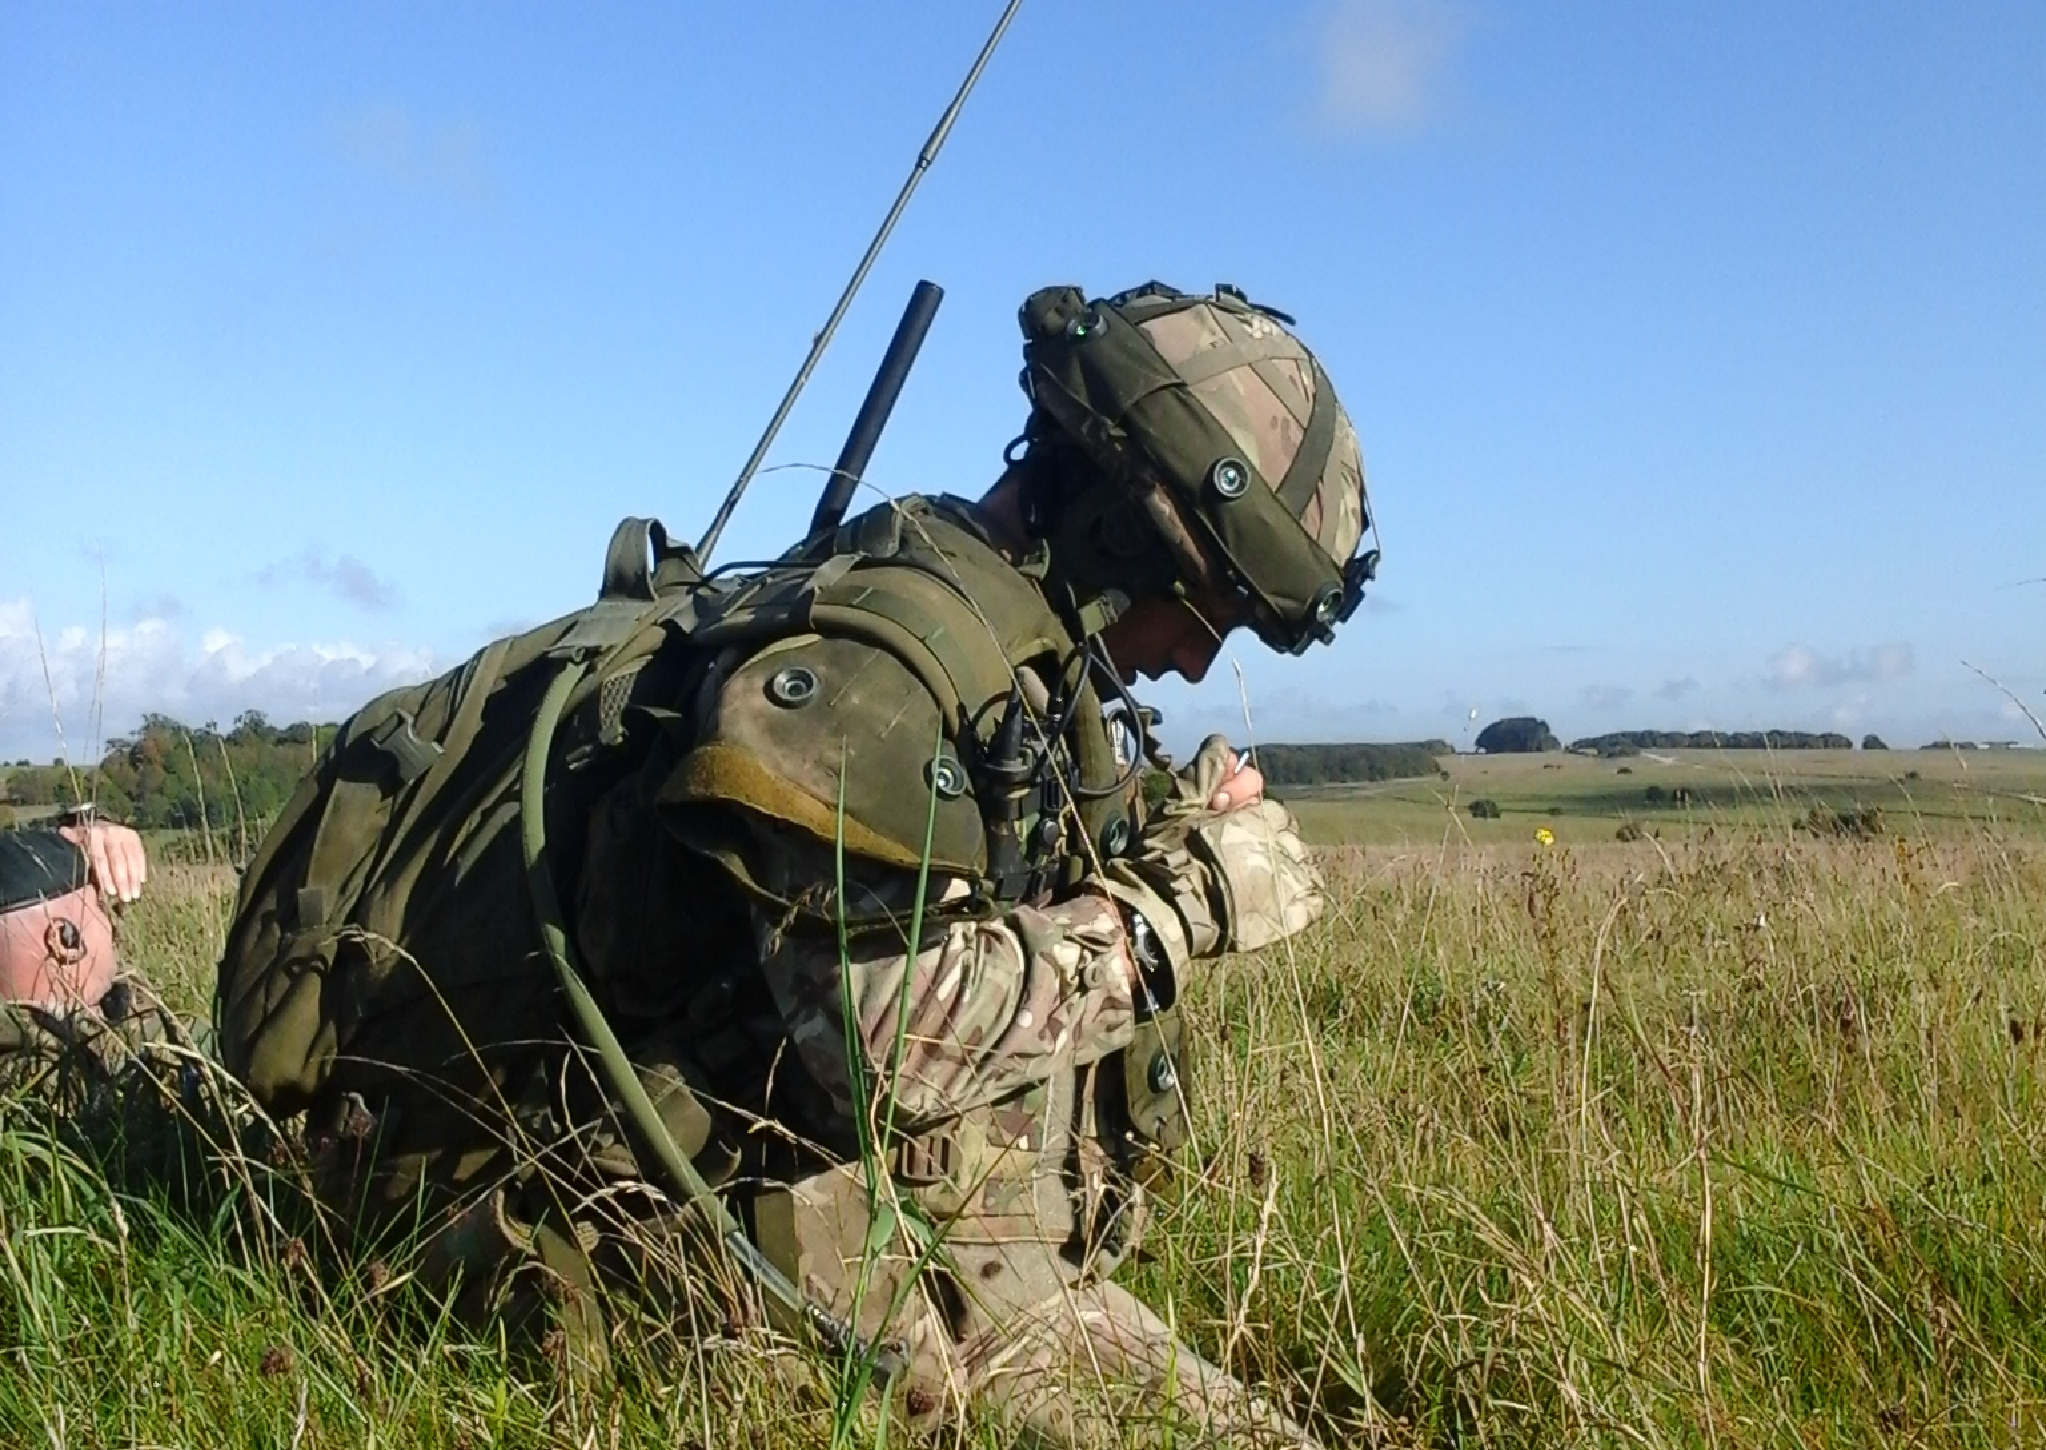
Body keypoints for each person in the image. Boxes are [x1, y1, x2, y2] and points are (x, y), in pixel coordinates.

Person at [220, 280, 1377, 1446]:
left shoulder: (1017, 671)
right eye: (1203, 611)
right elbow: (892, 1043)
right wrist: (1188, 907)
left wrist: (1169, 830)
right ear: (1117, 531)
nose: (1192, 661)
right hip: (692, 1269)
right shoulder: (877, 674)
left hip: (918, 1261)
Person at [0, 815, 221, 1184]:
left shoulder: (116, 1019)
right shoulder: (61, 1079)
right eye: (102, 908)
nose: (116, 926)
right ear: (63, 939)